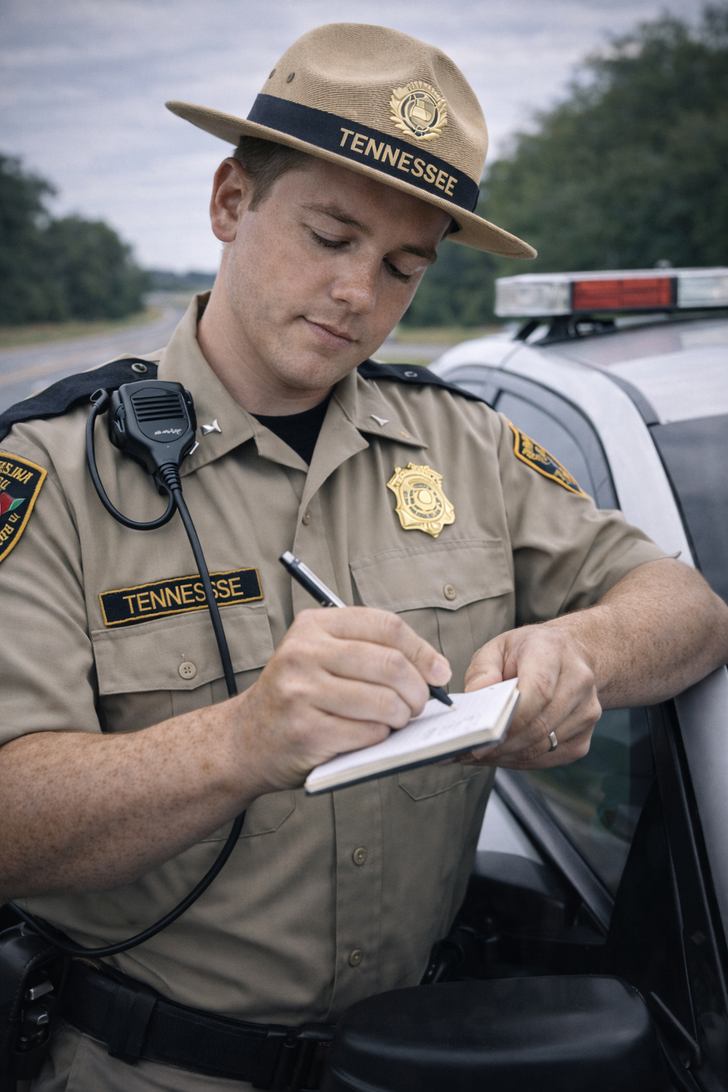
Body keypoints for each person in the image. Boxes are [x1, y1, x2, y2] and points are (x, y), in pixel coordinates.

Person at [0, 21, 726, 1092]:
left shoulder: (467, 441)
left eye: (401, 266)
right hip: (145, 1067)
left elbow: (687, 609)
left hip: (429, 1057)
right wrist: (239, 742)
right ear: (230, 203)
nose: (359, 294)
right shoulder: (49, 469)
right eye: (330, 237)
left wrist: (576, 653)